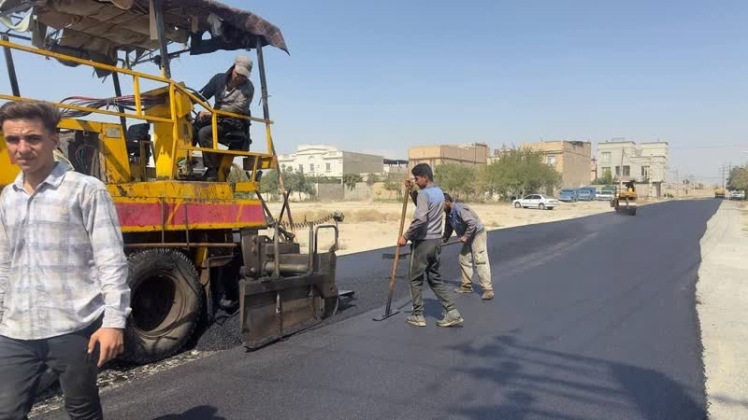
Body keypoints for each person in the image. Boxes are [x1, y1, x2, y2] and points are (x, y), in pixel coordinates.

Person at [0, 100, 131, 419]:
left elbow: (111, 260)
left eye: (32, 138)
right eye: (12, 140)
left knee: (81, 410)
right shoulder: (8, 196)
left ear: (54, 140)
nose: (22, 148)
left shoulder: (86, 190)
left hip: (73, 327)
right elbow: (6, 263)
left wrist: (114, 322)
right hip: (15, 331)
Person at [398, 163, 463, 327]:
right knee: (434, 277)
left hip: (423, 242)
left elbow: (420, 218)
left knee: (414, 278)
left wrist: (406, 236)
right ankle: (452, 311)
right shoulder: (439, 193)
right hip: (436, 241)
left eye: (417, 178)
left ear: (425, 178)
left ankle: (418, 315)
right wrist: (413, 190)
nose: (416, 180)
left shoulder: (424, 195)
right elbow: (424, 207)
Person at [193, 54, 255, 181]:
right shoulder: (218, 79)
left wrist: (212, 113)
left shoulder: (248, 88)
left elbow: (238, 109)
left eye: (244, 76)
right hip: (217, 119)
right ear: (233, 68)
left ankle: (212, 171)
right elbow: (202, 95)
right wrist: (181, 96)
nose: (241, 78)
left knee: (204, 133)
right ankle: (186, 161)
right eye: (239, 74)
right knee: (191, 128)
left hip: (234, 125)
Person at [442, 193, 494, 300]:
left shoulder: (459, 208)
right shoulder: (449, 213)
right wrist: (443, 239)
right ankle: (466, 286)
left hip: (477, 234)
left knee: (480, 260)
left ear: (447, 202)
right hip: (469, 236)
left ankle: (488, 290)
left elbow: (472, 223)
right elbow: (448, 227)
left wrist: (465, 236)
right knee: (464, 258)